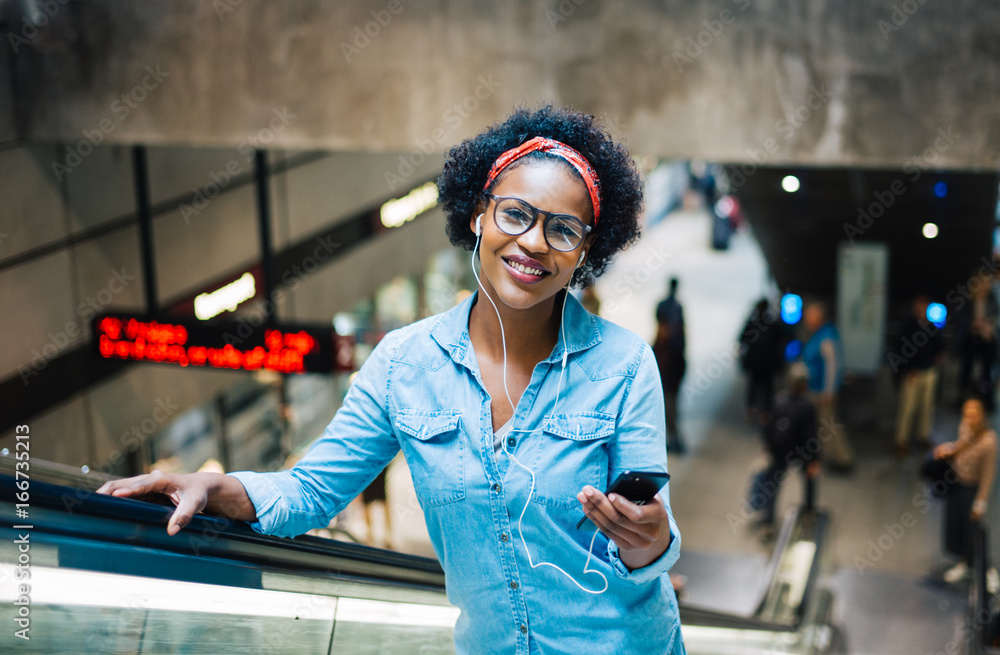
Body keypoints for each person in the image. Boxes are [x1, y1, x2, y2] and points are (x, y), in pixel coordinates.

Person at [97, 106, 685, 654]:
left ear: (586, 251)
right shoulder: (404, 365)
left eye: (563, 230)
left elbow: (648, 528)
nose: (533, 242)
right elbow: (311, 491)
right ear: (479, 214)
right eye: (515, 214)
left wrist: (651, 543)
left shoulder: (623, 364)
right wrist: (215, 489)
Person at [749, 363, 819, 539]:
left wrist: (767, 447)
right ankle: (809, 511)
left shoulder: (778, 400)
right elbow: (810, 436)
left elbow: (767, 425)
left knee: (772, 485)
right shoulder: (807, 407)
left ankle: (768, 522)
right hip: (800, 452)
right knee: (809, 479)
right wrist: (813, 460)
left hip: (779, 451)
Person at [933, 396, 998, 587]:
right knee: (957, 526)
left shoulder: (989, 441)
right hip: (957, 485)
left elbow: (988, 475)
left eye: (973, 415)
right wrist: (949, 450)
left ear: (982, 415)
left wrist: (980, 502)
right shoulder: (965, 428)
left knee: (973, 530)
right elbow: (961, 445)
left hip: (971, 489)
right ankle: (963, 562)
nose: (969, 419)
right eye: (966, 414)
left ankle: (986, 568)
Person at [801, 301, 854, 471]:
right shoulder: (818, 334)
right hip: (815, 388)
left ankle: (843, 459)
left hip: (823, 391)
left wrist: (828, 391)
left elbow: (832, 367)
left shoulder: (826, 337)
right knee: (823, 426)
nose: (806, 319)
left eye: (810, 316)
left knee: (829, 426)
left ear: (819, 317)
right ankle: (829, 457)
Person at [891, 295, 943, 458]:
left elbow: (939, 346)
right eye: (918, 307)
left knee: (927, 407)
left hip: (928, 372)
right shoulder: (907, 326)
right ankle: (901, 441)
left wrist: (937, 356)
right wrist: (907, 369)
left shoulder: (931, 326)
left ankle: (923, 436)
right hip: (912, 375)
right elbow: (899, 350)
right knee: (907, 408)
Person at [739, 298, 786, 423]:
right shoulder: (772, 324)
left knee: (753, 386)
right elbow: (781, 341)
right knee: (768, 387)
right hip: (769, 362)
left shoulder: (752, 323)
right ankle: (766, 413)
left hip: (754, 362)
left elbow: (741, 339)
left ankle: (751, 410)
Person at [654, 277, 687, 454]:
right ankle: (673, 440)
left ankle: (674, 440)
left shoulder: (665, 347)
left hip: (669, 382)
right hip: (669, 381)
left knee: (670, 411)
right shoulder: (667, 346)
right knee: (669, 411)